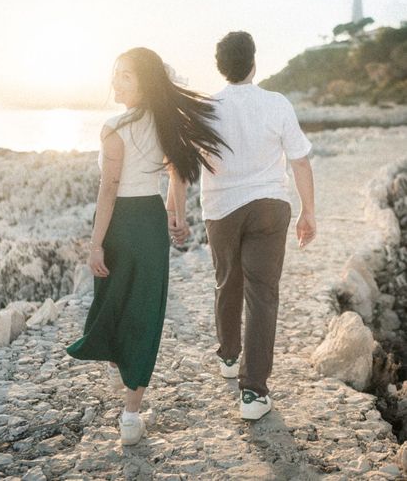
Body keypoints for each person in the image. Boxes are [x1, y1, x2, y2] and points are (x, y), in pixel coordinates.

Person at [66, 47, 227, 445]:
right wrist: (176, 213)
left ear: (145, 82)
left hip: (122, 222)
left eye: (127, 76)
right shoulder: (166, 123)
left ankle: (127, 398)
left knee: (116, 302)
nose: (117, 83)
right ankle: (132, 413)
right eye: (116, 74)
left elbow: (109, 188)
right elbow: (178, 173)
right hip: (150, 221)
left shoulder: (114, 127)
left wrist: (95, 244)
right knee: (144, 309)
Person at [200, 31, 316, 421]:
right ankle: (253, 393)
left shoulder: (206, 108)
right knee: (263, 294)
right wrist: (308, 212)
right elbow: (300, 160)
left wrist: (174, 207)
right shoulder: (276, 103)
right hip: (270, 205)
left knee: (227, 281)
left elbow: (187, 163)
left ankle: (229, 356)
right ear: (254, 62)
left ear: (220, 67)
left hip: (221, 208)